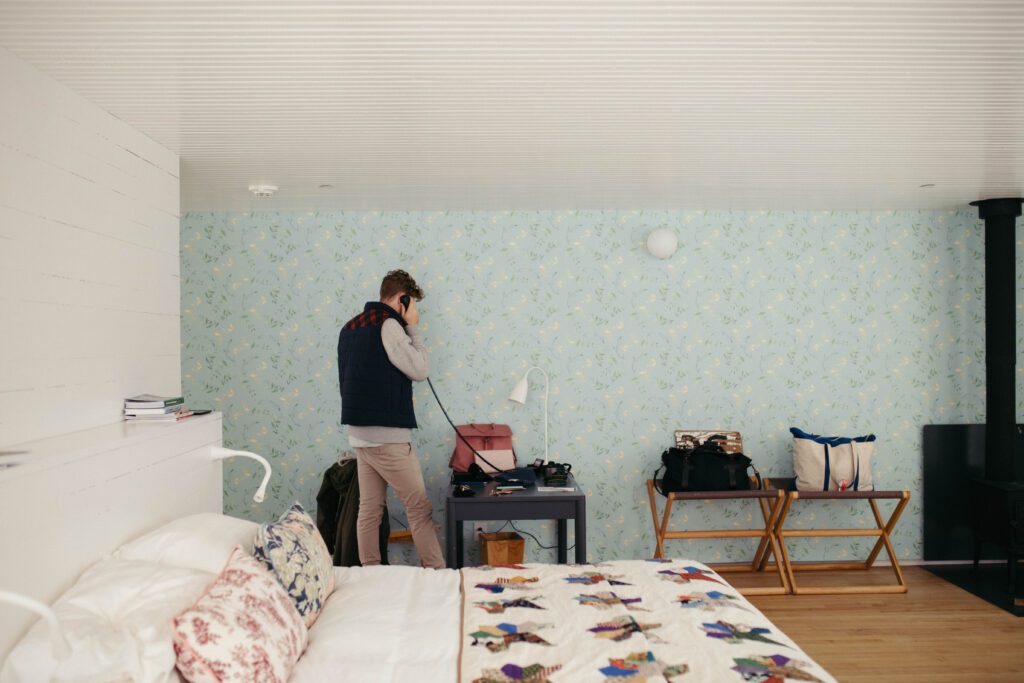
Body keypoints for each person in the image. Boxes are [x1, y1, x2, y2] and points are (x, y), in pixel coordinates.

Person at [337, 269, 445, 569]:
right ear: (403, 299)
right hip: (388, 438)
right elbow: (420, 369)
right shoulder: (389, 326)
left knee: (369, 510)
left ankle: (370, 573)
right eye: (412, 305)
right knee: (419, 509)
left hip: (359, 435)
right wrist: (413, 329)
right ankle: (437, 573)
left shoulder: (349, 328)